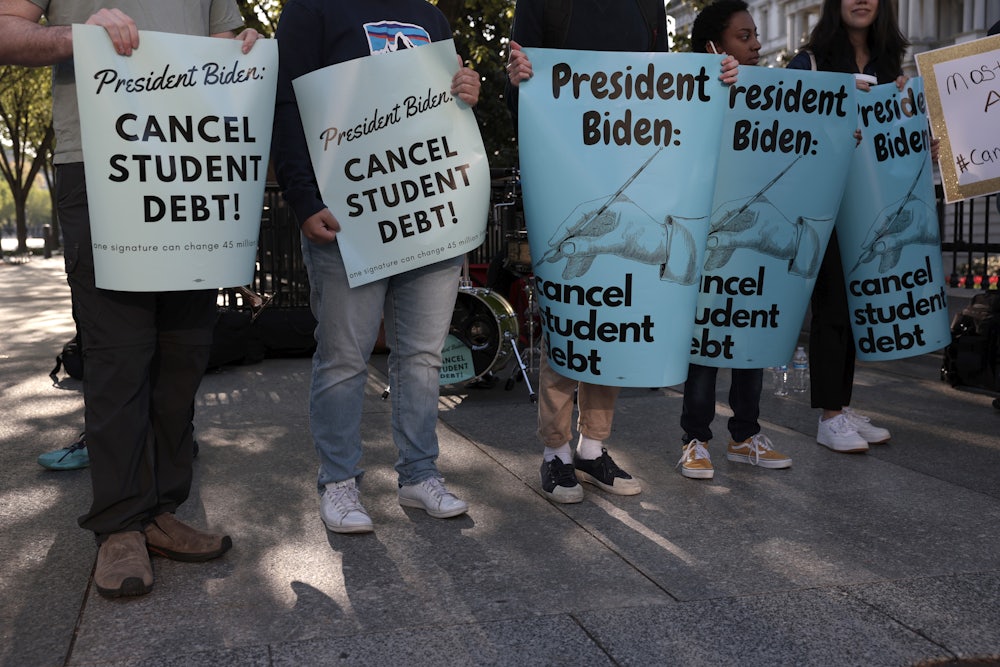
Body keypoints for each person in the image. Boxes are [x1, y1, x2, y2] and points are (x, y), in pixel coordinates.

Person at [0, 2, 258, 598]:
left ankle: (162, 511)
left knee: (183, 357)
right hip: (101, 162)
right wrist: (78, 37)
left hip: (194, 164)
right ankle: (120, 527)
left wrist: (244, 50)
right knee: (119, 356)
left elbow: (221, 49)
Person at [505, 0, 739, 503]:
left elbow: (667, 87)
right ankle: (555, 453)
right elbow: (519, 94)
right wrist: (518, 77)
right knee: (573, 314)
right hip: (564, 180)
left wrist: (715, 78)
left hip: (631, 183)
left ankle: (591, 448)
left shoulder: (646, 3)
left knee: (617, 310)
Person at [271, 0, 481, 533]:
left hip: (430, 210)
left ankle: (418, 475)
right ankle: (339, 484)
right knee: (344, 357)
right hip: (346, 215)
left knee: (422, 357)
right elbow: (285, 103)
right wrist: (302, 197)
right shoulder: (310, 10)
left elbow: (444, 107)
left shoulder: (430, 16)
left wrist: (466, 91)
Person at [786, 0, 911, 453]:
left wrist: (920, 142)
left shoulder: (889, 64)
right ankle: (830, 415)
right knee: (833, 306)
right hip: (826, 201)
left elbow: (896, 133)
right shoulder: (810, 63)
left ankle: (842, 404)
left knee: (856, 309)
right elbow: (787, 128)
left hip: (871, 203)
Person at [677, 0, 793, 480]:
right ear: (713, 47)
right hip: (709, 238)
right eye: (744, 36)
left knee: (750, 333)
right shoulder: (687, 95)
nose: (757, 45)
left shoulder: (774, 95)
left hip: (750, 240)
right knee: (706, 342)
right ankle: (695, 440)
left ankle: (745, 435)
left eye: (756, 36)